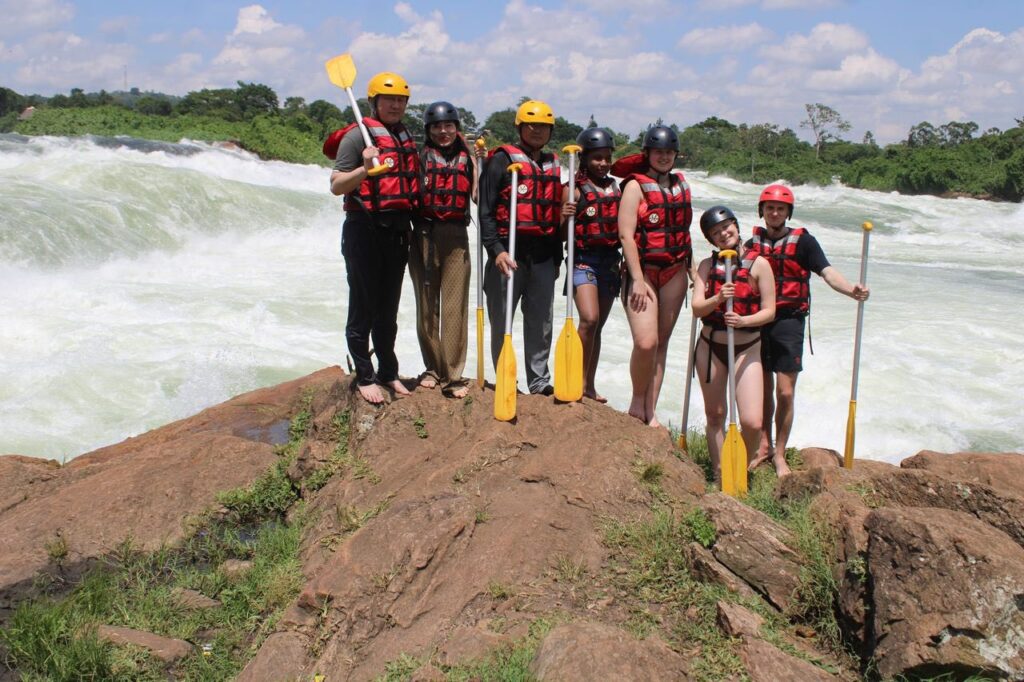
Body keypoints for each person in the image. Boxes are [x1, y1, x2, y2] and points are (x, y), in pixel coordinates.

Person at [745, 184, 870, 476]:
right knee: (762, 390)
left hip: (789, 320)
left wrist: (852, 290)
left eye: (780, 209)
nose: (774, 213)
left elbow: (827, 273)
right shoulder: (751, 242)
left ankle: (779, 454)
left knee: (785, 392)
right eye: (770, 208)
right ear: (762, 211)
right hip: (758, 319)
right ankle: (763, 445)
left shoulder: (804, 242)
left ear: (788, 213)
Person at [328, 71, 420, 405]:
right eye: (389, 99)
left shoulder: (404, 136)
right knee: (363, 304)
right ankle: (364, 375)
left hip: (397, 231)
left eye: (401, 100)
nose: (395, 105)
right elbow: (337, 185)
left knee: (388, 308)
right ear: (374, 102)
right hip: (364, 228)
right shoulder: (358, 137)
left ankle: (388, 371)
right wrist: (365, 169)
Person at [479, 100, 563, 395]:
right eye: (532, 125)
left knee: (541, 322)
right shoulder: (501, 160)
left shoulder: (553, 163)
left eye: (544, 127)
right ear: (520, 127)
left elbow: (553, 216)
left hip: (541, 256)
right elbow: (486, 211)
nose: (538, 131)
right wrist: (497, 250)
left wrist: (557, 259)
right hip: (508, 254)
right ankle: (506, 378)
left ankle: (539, 382)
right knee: (502, 321)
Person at [614, 125, 694, 426]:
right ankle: (636, 400)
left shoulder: (682, 186)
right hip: (643, 271)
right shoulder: (635, 186)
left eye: (669, 152)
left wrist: (692, 268)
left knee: (661, 342)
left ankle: (651, 408)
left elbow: (683, 230)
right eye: (658, 151)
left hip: (675, 270)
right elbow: (625, 235)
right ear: (647, 153)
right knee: (646, 342)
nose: (664, 157)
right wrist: (635, 278)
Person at [691, 206, 776, 482]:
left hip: (747, 347)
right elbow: (697, 309)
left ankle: (740, 466)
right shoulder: (706, 266)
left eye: (726, 227)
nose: (723, 233)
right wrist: (717, 299)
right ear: (711, 240)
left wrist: (744, 321)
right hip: (710, 345)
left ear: (737, 227)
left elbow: (769, 311)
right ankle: (720, 473)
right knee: (715, 415)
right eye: (716, 232)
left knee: (752, 422)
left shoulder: (759, 264)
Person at [408, 101, 485, 399]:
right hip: (423, 234)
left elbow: (478, 196)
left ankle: (452, 374)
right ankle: (432, 368)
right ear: (428, 130)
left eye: (449, 126)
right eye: (437, 127)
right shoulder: (419, 157)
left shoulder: (468, 160)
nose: (443, 131)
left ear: (457, 129)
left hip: (455, 237)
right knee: (427, 306)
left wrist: (479, 163)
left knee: (454, 307)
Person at [560, 127, 621, 402]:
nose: (603, 163)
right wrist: (565, 215)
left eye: (607, 157)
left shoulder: (618, 188)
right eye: (597, 158)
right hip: (582, 259)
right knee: (589, 319)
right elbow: (561, 234)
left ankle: (589, 385)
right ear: (585, 159)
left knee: (598, 327)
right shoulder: (572, 189)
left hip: (610, 261)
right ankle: (576, 380)